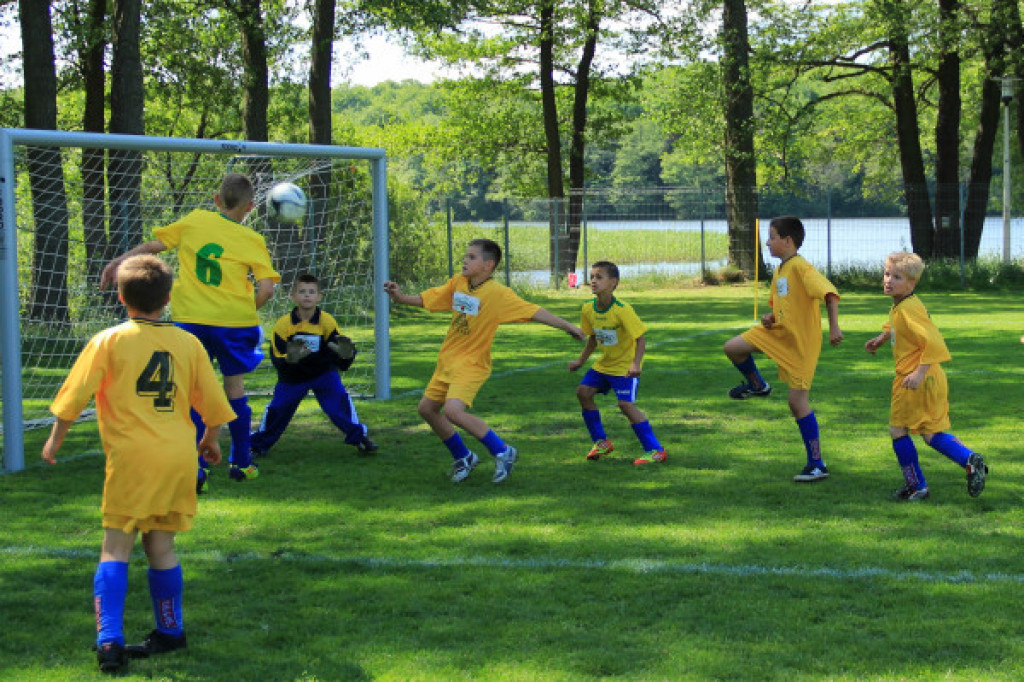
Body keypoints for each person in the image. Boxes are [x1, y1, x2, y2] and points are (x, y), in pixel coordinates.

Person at [42, 255, 236, 674]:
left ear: (120, 296)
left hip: (133, 458)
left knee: (116, 547)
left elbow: (73, 398)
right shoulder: (189, 343)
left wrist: (55, 440)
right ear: (168, 298)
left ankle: (109, 641)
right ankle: (170, 631)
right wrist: (210, 441)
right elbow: (214, 406)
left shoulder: (109, 340)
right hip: (177, 456)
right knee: (161, 546)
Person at [100, 173, 280, 488]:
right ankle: (241, 463)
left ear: (216, 200)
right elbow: (267, 290)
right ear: (251, 206)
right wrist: (244, 309)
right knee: (233, 389)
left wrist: (119, 262)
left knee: (193, 394)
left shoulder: (195, 221)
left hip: (190, 322)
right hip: (232, 325)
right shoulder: (253, 241)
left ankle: (196, 468)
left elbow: (153, 246)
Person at [384, 238, 586, 484]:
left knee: (453, 411)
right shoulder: (459, 283)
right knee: (427, 409)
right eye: (465, 256)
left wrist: (568, 327)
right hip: (448, 360)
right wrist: (400, 297)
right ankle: (463, 456)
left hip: (472, 363)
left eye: (472, 257)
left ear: (488, 265)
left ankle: (502, 450)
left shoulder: (498, 294)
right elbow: (432, 298)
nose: (465, 261)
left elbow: (535, 312)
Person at [723, 215, 843, 482]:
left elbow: (830, 294)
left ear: (788, 241)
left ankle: (817, 464)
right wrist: (771, 317)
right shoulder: (780, 270)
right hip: (778, 334)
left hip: (801, 344)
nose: (767, 242)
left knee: (796, 403)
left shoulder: (801, 267)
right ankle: (758, 385)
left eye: (772, 237)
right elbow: (783, 305)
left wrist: (834, 328)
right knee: (732, 348)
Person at [864, 252, 988, 501]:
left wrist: (918, 373)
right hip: (932, 378)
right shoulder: (904, 304)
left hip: (914, 378)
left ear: (912, 283)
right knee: (931, 434)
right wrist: (882, 338)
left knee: (898, 431)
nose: (888, 280)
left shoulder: (908, 308)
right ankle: (969, 459)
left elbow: (932, 341)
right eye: (887, 274)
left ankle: (916, 486)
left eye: (896, 277)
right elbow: (898, 325)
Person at [250, 273, 378, 457]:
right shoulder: (283, 324)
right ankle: (258, 445)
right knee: (278, 409)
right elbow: (277, 355)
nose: (307, 295)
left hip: (323, 373)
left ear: (319, 296)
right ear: (293, 296)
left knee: (338, 404)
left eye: (311, 292)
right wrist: (289, 359)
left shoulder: (326, 321)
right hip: (293, 377)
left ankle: (360, 439)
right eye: (302, 291)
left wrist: (347, 355)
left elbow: (340, 350)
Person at [568, 261, 666, 465]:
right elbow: (593, 338)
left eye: (599, 277)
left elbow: (641, 338)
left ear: (613, 282)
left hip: (623, 367)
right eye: (592, 276)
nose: (593, 281)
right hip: (604, 364)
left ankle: (655, 450)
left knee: (625, 405)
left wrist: (636, 364)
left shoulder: (622, 310)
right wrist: (580, 361)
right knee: (583, 393)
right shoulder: (587, 308)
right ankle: (601, 443)